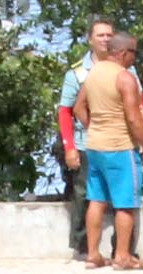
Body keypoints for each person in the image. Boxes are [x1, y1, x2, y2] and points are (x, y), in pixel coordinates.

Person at [76, 27, 143, 270]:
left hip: (95, 146)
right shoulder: (125, 78)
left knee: (96, 200)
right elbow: (134, 118)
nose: (134, 58)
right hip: (120, 147)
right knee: (125, 203)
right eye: (133, 53)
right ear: (122, 53)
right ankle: (122, 256)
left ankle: (92, 255)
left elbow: (78, 108)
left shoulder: (94, 72)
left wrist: (95, 127)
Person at [55, 17, 117, 261]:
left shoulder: (124, 66)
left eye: (109, 35)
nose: (105, 39)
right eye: (100, 35)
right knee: (83, 195)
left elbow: (138, 102)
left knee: (121, 196)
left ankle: (122, 248)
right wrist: (69, 146)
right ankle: (81, 247)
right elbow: (65, 111)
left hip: (117, 142)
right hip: (86, 143)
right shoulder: (77, 72)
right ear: (90, 39)